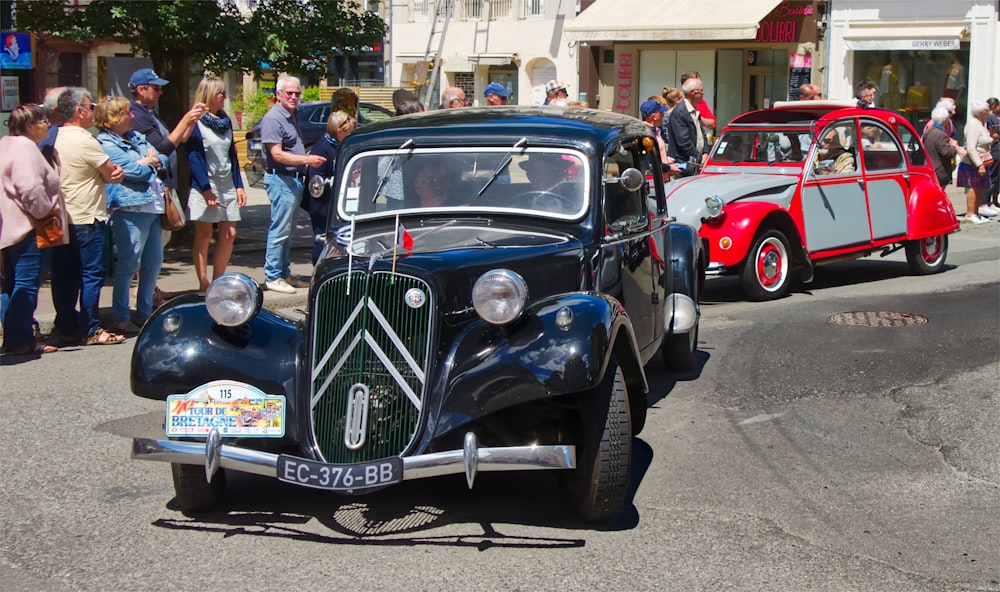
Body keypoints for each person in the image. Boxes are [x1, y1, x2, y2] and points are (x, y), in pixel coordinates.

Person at [53, 87, 126, 345]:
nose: (93, 111)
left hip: (62, 217)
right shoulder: (85, 139)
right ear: (79, 111)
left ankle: (64, 324)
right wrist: (113, 173)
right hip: (87, 216)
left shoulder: (54, 136)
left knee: (64, 274)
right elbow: (110, 171)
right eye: (90, 106)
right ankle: (91, 328)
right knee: (91, 274)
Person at [129, 67, 205, 305]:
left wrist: (191, 120)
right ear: (141, 90)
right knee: (150, 246)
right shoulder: (137, 115)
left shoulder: (149, 113)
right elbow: (163, 147)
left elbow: (178, 139)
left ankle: (151, 288)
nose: (161, 92)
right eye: (156, 88)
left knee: (160, 242)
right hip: (153, 187)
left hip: (164, 185)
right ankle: (145, 293)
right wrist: (186, 119)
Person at [95, 96, 168, 334]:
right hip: (129, 208)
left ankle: (144, 313)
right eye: (127, 113)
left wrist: (147, 161)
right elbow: (133, 170)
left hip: (153, 205)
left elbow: (162, 157)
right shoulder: (106, 142)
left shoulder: (136, 136)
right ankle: (120, 316)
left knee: (153, 262)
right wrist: (146, 162)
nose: (133, 116)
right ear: (114, 118)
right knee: (129, 263)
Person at [0, 104, 66, 355]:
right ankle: (21, 340)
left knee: (12, 284)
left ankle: (14, 336)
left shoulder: (6, 145)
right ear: (29, 126)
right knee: (26, 283)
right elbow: (29, 188)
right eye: (42, 122)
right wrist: (44, 213)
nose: (47, 125)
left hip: (10, 226)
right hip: (28, 226)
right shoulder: (26, 149)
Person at [260, 75, 326, 294]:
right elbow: (276, 154)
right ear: (278, 94)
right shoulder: (273, 118)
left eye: (297, 93)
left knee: (287, 230)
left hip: (292, 180)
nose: (294, 97)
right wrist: (307, 160)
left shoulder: (290, 115)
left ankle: (283, 274)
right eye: (289, 93)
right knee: (279, 229)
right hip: (281, 179)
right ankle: (272, 276)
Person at [185, 77, 248, 291]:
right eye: (221, 93)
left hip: (227, 182)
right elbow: (193, 157)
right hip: (206, 183)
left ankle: (218, 281)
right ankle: (203, 283)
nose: (225, 97)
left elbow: (232, 154)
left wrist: (239, 185)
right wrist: (205, 189)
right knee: (204, 235)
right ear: (209, 95)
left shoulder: (225, 120)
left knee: (229, 234)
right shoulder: (197, 121)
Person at [303, 111, 355, 263]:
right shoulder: (322, 148)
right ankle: (318, 265)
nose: (350, 135)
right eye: (348, 132)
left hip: (335, 202)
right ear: (339, 132)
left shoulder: (339, 146)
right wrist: (334, 182)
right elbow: (316, 180)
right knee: (322, 238)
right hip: (322, 205)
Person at [957, 100, 993, 224]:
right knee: (974, 187)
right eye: (987, 111)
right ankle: (970, 213)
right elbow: (971, 147)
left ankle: (976, 213)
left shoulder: (980, 123)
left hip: (982, 160)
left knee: (980, 187)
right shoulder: (973, 124)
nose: (988, 113)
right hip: (974, 162)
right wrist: (979, 164)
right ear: (982, 112)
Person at [667, 78, 710, 176]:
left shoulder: (695, 110)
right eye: (701, 90)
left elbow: (701, 134)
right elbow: (684, 142)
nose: (703, 93)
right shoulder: (680, 112)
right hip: (684, 167)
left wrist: (706, 153)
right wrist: (699, 159)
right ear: (692, 92)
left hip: (696, 165)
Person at [639, 99, 680, 179]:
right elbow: (648, 165)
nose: (663, 115)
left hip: (663, 180)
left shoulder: (657, 131)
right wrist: (669, 168)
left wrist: (667, 163)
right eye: (661, 113)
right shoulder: (646, 136)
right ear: (654, 116)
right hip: (654, 183)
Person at [921, 105, 960, 189]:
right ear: (945, 119)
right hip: (939, 171)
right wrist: (953, 146)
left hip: (931, 168)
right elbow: (947, 153)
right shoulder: (941, 134)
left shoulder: (929, 130)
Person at [984, 97, 1000, 213]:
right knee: (993, 176)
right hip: (995, 149)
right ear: (994, 106)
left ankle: (991, 201)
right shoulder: (992, 117)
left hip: (994, 148)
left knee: (995, 176)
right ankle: (986, 201)